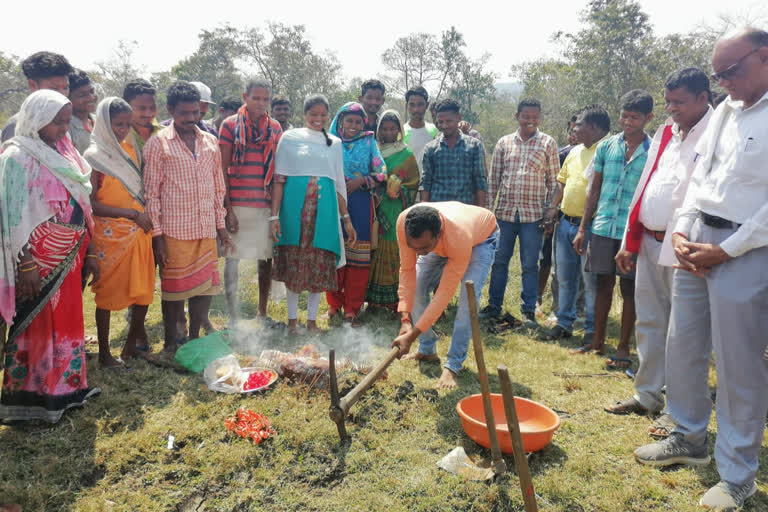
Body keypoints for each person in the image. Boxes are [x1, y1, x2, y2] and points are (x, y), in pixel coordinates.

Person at [634, 28, 768, 511]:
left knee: (738, 363)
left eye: (730, 72)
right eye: (718, 74)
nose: (722, 83)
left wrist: (728, 248)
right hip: (696, 241)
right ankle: (687, 435)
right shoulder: (726, 113)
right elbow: (701, 179)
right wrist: (684, 229)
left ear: (764, 57)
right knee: (682, 341)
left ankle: (737, 475)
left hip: (748, 249)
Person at [604, 69, 712, 430]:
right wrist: (628, 241)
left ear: (702, 97)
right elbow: (646, 185)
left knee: (684, 333)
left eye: (679, 102)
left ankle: (677, 411)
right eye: (668, 102)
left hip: (687, 247)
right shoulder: (667, 130)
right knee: (649, 321)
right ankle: (647, 394)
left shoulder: (716, 132)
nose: (672, 109)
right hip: (649, 240)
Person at [0, 90, 100, 422]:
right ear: (38, 119)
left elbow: (84, 201)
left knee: (69, 319)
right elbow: (12, 215)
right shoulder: (16, 157)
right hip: (36, 259)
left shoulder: (67, 151)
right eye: (57, 122)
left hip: (69, 254)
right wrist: (26, 263)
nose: (63, 128)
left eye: (64, 121)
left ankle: (69, 388)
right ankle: (34, 399)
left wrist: (91, 250)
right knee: (39, 324)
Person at [143, 81, 232, 352]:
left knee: (204, 289)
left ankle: (195, 338)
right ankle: (172, 341)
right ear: (170, 110)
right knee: (174, 291)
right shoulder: (158, 143)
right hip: (175, 231)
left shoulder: (210, 142)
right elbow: (151, 193)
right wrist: (157, 237)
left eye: (196, 113)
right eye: (184, 113)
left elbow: (218, 187)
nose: (191, 119)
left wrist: (221, 227)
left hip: (205, 228)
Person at [572, 90, 654, 364]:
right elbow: (593, 190)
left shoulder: (653, 152)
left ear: (648, 118)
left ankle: (622, 348)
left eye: (635, 117)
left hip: (632, 232)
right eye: (625, 116)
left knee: (629, 289)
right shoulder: (607, 147)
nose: (628, 122)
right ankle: (597, 343)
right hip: (604, 227)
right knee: (602, 284)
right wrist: (583, 228)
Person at [270, 94, 356, 333]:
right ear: (304, 114)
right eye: (313, 114)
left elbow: (337, 184)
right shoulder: (289, 139)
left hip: (324, 213)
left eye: (322, 115)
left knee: (320, 262)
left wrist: (345, 218)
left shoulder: (334, 143)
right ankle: (292, 322)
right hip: (293, 212)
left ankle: (311, 321)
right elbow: (279, 179)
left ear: (328, 116)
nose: (318, 119)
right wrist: (274, 216)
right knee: (294, 262)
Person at [393, 203, 498, 389]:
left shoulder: (458, 235)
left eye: (423, 248)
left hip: (480, 239)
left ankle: (453, 365)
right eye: (413, 247)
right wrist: (405, 319)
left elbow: (443, 295)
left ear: (438, 234)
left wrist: (411, 336)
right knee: (418, 284)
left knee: (467, 300)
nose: (418, 252)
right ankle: (427, 350)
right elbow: (407, 269)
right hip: (448, 241)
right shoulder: (403, 222)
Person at [84, 97, 156, 368]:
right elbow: (90, 203)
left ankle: (129, 347)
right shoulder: (93, 156)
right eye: (117, 125)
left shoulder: (132, 149)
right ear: (104, 124)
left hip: (140, 232)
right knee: (106, 293)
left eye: (127, 124)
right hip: (110, 234)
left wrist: (141, 216)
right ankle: (104, 353)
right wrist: (131, 215)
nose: (123, 130)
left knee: (143, 289)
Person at [481, 98, 559, 327]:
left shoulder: (548, 143)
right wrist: (487, 213)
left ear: (539, 118)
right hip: (504, 215)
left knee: (529, 264)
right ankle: (494, 305)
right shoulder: (504, 143)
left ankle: (528, 311)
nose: (530, 121)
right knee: (499, 262)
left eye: (535, 117)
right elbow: (493, 180)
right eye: (526, 116)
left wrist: (550, 213)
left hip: (533, 216)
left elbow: (554, 181)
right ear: (517, 116)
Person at [541, 107, 609, 344]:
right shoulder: (574, 152)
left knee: (589, 281)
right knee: (565, 278)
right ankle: (564, 322)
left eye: (578, 124)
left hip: (590, 227)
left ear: (594, 127)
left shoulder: (607, 151)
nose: (574, 129)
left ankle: (591, 329)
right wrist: (552, 207)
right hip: (565, 224)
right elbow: (562, 182)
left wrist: (585, 224)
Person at [219, 79, 283, 327]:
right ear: (245, 97)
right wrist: (228, 209)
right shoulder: (229, 125)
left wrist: (274, 214)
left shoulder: (275, 128)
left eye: (265, 99)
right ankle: (233, 316)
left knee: (265, 259)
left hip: (264, 205)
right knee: (232, 259)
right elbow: (222, 170)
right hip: (236, 204)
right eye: (256, 98)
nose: (260, 103)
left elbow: (277, 173)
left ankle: (262, 313)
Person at [325, 102, 386, 325]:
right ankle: (333, 303)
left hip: (360, 203)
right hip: (333, 202)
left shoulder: (369, 142)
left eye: (358, 121)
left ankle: (352, 307)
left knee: (358, 258)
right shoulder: (330, 142)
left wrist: (362, 180)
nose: (353, 125)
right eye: (349, 120)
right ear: (340, 121)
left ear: (364, 123)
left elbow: (382, 172)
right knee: (333, 253)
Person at [367, 110, 420, 310]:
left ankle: (393, 300)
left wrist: (399, 188)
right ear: (379, 130)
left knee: (393, 248)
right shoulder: (374, 150)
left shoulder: (406, 154)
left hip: (396, 207)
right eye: (385, 128)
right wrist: (380, 187)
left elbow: (414, 183)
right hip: (376, 206)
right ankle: (372, 299)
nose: (389, 132)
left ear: (399, 129)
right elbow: (367, 175)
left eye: (393, 128)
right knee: (374, 247)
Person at [421, 98, 487, 206]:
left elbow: (480, 181)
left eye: (449, 121)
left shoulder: (474, 146)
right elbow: (425, 183)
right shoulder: (430, 149)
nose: (444, 126)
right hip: (439, 212)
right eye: (440, 122)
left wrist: (481, 211)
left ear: (459, 118)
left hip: (465, 211)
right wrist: (424, 212)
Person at [1, 51, 73, 142]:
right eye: (54, 89)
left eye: (66, 88)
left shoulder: (63, 122)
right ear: (32, 85)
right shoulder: (16, 126)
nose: (62, 94)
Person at [122, 79, 160, 169]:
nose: (149, 113)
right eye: (142, 108)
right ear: (127, 106)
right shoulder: (119, 137)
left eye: (152, 107)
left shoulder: (167, 134)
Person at [403, 85, 438, 179]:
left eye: (420, 104)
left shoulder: (435, 130)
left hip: (430, 187)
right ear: (407, 106)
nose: (416, 109)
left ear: (426, 105)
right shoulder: (401, 132)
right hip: (407, 187)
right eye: (412, 105)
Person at [67, 69, 97, 154]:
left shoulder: (99, 122)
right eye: (82, 95)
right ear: (68, 97)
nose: (91, 98)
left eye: (92, 91)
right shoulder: (66, 128)